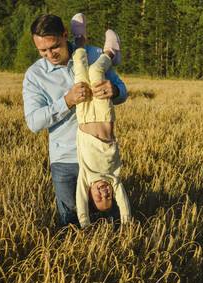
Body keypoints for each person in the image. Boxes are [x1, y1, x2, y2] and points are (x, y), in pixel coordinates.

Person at [22, 14, 128, 228]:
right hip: (65, 159)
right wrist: (67, 101)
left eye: (54, 47)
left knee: (109, 219)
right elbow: (33, 122)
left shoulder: (94, 54)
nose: (49, 54)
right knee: (71, 224)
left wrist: (114, 90)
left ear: (65, 35)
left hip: (98, 154)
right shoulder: (34, 75)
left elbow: (123, 91)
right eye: (42, 51)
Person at [70, 13, 132, 228]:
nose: (104, 193)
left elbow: (80, 205)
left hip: (84, 117)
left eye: (99, 198)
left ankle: (80, 41)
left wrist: (86, 227)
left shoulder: (85, 178)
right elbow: (124, 204)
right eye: (108, 198)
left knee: (79, 69)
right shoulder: (114, 179)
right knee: (96, 70)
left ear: (90, 194)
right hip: (105, 117)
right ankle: (110, 53)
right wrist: (126, 226)